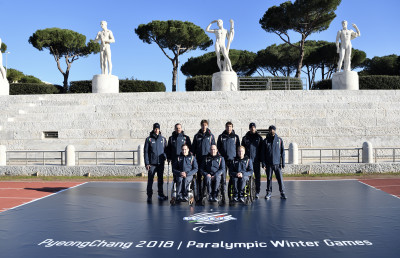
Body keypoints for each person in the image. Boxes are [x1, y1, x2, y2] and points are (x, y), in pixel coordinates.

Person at [144, 123, 168, 202]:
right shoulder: (149, 139)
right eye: (155, 128)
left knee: (160, 179)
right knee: (150, 180)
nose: (156, 130)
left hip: (160, 163)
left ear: (159, 129)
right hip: (152, 164)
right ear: (153, 129)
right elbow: (146, 152)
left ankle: (160, 194)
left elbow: (166, 150)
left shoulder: (163, 139)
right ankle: (149, 195)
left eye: (157, 129)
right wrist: (147, 163)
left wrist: (164, 156)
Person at [261, 125, 286, 199]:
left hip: (277, 164)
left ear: (275, 130)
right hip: (268, 164)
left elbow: (283, 152)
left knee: (280, 179)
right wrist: (263, 163)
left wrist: (283, 162)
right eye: (271, 129)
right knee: (269, 179)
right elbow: (262, 153)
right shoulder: (265, 141)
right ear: (269, 131)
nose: (272, 131)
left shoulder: (279, 140)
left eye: (273, 129)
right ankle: (268, 193)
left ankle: (282, 192)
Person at [192, 120, 216, 193]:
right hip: (199, 159)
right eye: (202, 125)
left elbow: (214, 147)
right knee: (199, 176)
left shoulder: (211, 136)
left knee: (208, 175)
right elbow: (193, 148)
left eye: (205, 125)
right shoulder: (196, 136)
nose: (204, 126)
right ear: (201, 125)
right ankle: (199, 192)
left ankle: (208, 191)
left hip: (208, 159)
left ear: (207, 125)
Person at [241, 122, 263, 198]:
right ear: (249, 128)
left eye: (253, 127)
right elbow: (242, 150)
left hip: (256, 161)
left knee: (257, 176)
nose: (252, 128)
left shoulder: (259, 138)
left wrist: (262, 161)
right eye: (251, 127)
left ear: (255, 128)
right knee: (246, 176)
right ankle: (246, 191)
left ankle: (257, 191)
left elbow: (261, 150)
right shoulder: (245, 138)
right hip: (247, 161)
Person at [217, 121, 240, 194]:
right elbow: (218, 148)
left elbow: (238, 148)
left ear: (232, 127)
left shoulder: (236, 137)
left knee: (232, 177)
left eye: (230, 126)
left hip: (232, 160)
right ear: (225, 127)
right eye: (227, 126)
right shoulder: (221, 137)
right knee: (223, 178)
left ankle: (232, 192)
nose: (229, 128)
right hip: (223, 160)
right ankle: (223, 193)